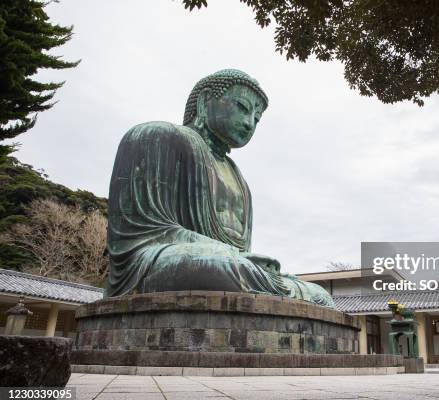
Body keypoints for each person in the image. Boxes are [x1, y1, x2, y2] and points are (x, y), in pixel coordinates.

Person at [104, 69, 334, 307]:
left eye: (256, 118)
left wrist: (241, 260)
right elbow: (146, 234)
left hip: (228, 266)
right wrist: (230, 256)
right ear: (205, 101)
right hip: (154, 263)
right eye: (242, 107)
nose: (249, 123)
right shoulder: (158, 137)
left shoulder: (239, 179)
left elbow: (242, 252)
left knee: (320, 295)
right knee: (226, 267)